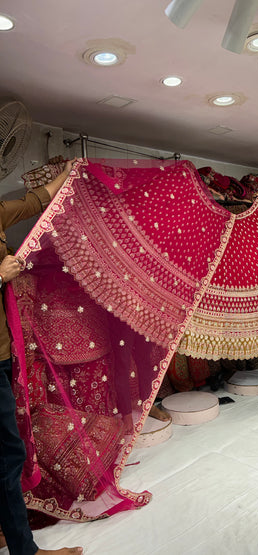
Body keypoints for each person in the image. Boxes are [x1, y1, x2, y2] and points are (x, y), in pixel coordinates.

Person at [0, 159, 83, 555]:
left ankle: (18, 545)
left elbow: (36, 200)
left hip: (1, 356)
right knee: (8, 454)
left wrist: (70, 171)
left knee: (9, 453)